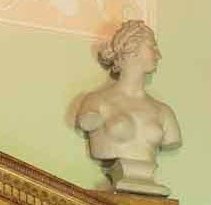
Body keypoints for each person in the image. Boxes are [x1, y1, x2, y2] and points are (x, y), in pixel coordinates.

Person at [73, 20, 184, 195]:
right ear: (131, 50)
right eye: (152, 47)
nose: (159, 55)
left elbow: (173, 139)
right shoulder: (96, 102)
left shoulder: (164, 112)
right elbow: (88, 122)